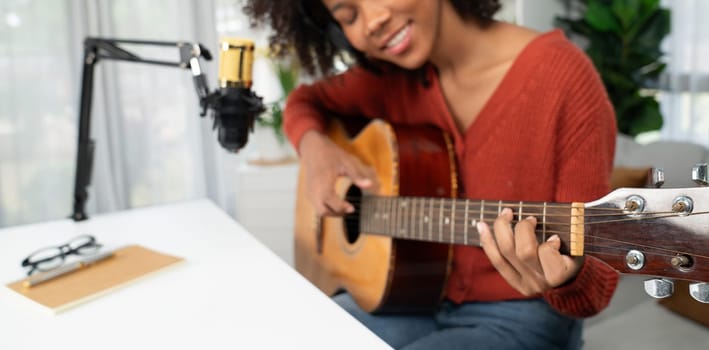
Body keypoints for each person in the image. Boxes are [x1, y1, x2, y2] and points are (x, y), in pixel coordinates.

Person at [244, 0, 619, 348]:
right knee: (287, 335)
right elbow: (305, 101)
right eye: (348, 16)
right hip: (409, 300)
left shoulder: (564, 77)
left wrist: (568, 275)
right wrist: (316, 150)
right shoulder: (387, 80)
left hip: (520, 313)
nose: (373, 21)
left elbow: (596, 284)